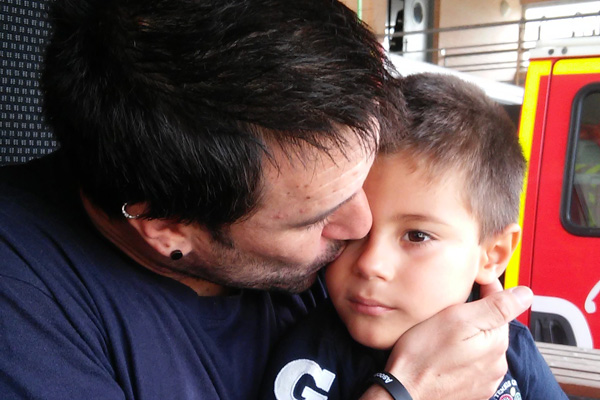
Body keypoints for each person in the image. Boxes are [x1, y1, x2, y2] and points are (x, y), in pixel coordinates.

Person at [0, 1, 531, 399]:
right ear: (167, 227)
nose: (362, 226)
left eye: (360, 181)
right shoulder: (28, 311)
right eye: (318, 216)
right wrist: (407, 391)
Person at [261, 73, 566, 400]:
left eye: (417, 236)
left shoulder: (508, 348)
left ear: (493, 254)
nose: (370, 264)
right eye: (355, 232)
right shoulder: (308, 366)